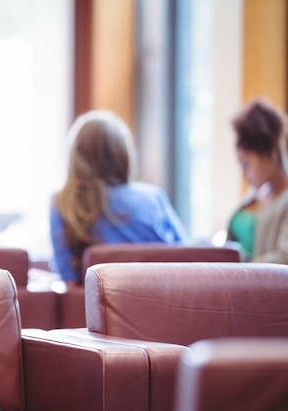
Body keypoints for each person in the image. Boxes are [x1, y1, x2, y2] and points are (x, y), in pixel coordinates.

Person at [50, 110, 187, 286]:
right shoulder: (154, 198)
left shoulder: (62, 202)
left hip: (93, 309)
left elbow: (67, 277)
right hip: (164, 303)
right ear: (122, 153)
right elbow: (185, 256)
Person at [226, 97, 288, 266]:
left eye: (246, 164)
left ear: (270, 154)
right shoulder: (256, 193)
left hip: (249, 285)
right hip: (230, 279)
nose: (244, 176)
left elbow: (287, 260)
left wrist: (237, 271)